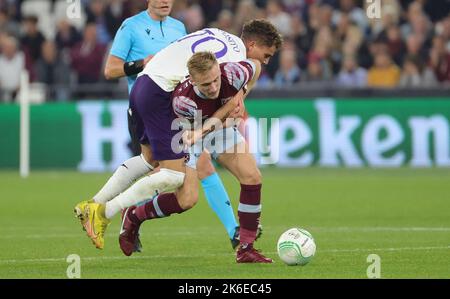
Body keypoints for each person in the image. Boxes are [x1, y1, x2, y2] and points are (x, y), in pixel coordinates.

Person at [74, 20, 283, 252]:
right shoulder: (231, 62)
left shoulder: (220, 37)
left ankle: (93, 204)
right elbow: (208, 89)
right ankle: (105, 212)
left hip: (145, 86)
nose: (265, 60)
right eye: (266, 54)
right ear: (251, 45)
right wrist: (226, 109)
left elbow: (240, 78)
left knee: (148, 160)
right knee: (173, 175)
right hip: (161, 96)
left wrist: (239, 96)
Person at [119, 51, 272, 263]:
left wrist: (241, 97)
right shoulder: (182, 101)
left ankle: (246, 248)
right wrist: (228, 115)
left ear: (220, 69)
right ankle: (134, 215)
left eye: (216, 79)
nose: (213, 87)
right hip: (187, 133)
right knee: (187, 199)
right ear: (193, 80)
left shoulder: (235, 72)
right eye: (206, 84)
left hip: (215, 126)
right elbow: (200, 132)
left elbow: (256, 66)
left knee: (252, 177)